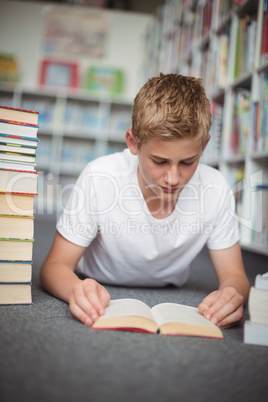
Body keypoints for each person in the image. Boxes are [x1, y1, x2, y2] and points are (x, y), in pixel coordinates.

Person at [40, 73, 250, 329]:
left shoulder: (215, 187)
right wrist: (75, 289)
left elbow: (234, 275)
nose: (173, 178)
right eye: (159, 161)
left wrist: (232, 294)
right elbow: (54, 266)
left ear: (203, 147)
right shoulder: (99, 176)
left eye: (188, 162)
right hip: (95, 280)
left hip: (173, 290)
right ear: (133, 142)